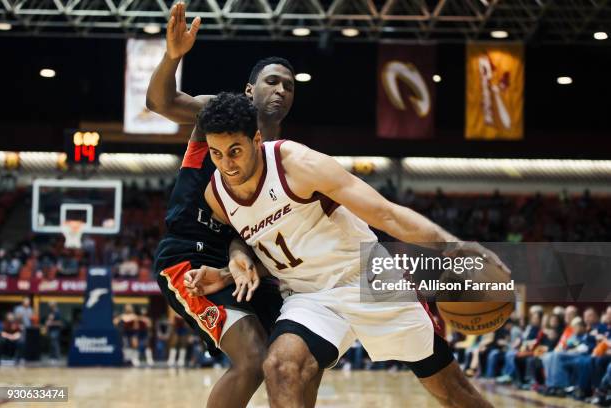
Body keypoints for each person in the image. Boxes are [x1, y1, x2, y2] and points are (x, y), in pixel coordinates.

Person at [201, 92, 508, 407]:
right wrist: (236, 258)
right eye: (216, 153)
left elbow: (385, 213)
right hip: (309, 296)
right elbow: (239, 237)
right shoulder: (217, 195)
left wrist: (455, 246)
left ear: (255, 138)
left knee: (453, 390)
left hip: (366, 278)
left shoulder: (296, 164)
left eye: (234, 151)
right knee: (280, 367)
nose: (227, 164)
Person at [145, 4, 320, 406]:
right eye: (272, 82)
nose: (280, 90)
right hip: (188, 257)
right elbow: (160, 102)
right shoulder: (216, 114)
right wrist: (173, 56)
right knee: (254, 358)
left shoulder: (285, 156)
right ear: (249, 91)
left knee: (300, 357)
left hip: (237, 266)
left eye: (289, 86)